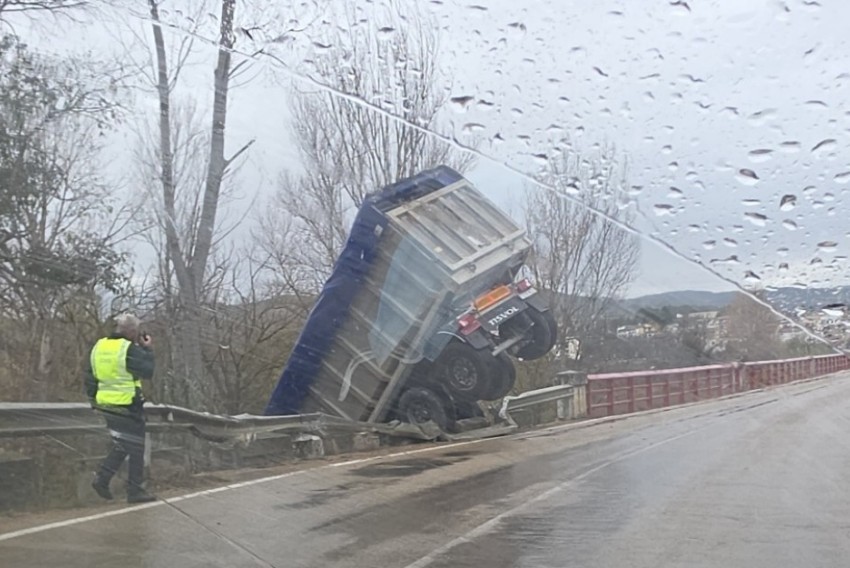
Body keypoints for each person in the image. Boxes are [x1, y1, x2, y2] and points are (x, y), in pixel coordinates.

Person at [85, 313, 157, 503]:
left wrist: (93, 401)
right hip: (127, 405)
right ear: (132, 331)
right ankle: (133, 490)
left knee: (124, 444)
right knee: (135, 446)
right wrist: (147, 350)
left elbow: (90, 376)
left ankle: (103, 479)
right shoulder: (128, 349)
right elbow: (147, 371)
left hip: (106, 404)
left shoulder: (98, 346)